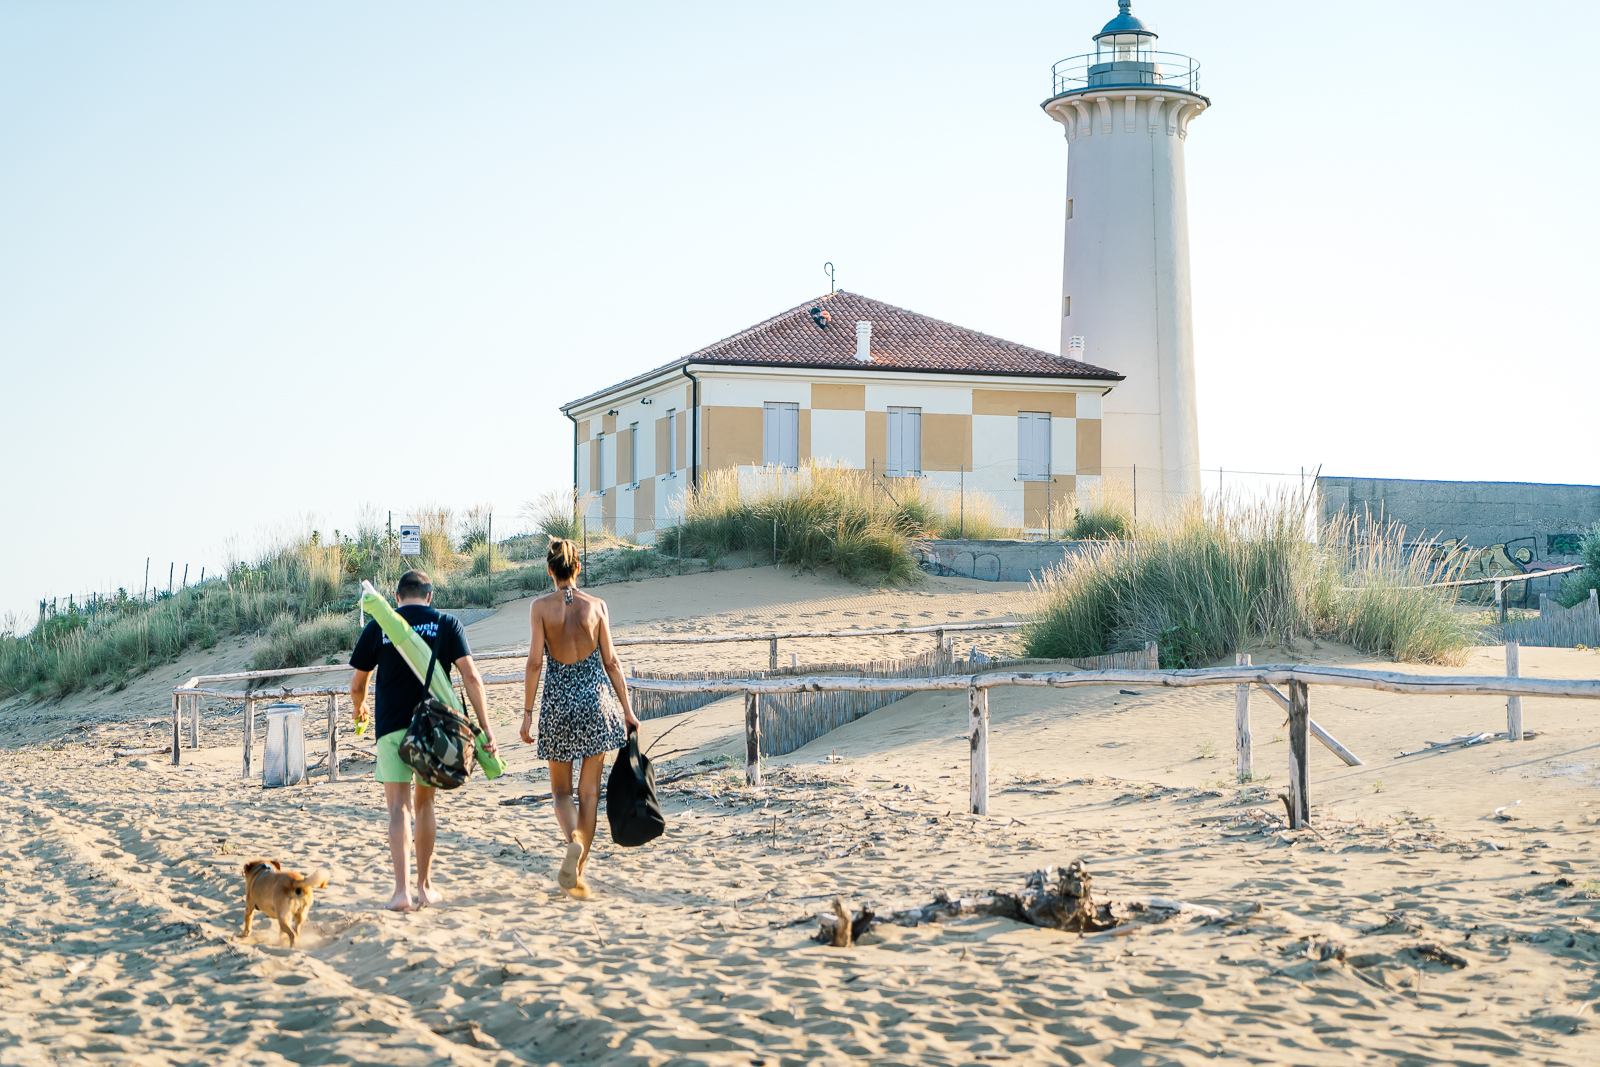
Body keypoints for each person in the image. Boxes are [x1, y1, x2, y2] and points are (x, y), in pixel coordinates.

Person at [349, 569, 498, 911]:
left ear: (397, 598)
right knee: (424, 804)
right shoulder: (447, 624)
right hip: (433, 728)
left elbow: (357, 685)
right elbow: (471, 677)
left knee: (397, 808)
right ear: (430, 596)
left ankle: (400, 893)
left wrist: (359, 710)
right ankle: (425, 887)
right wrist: (486, 728)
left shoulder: (378, 626)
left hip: (390, 728)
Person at [520, 538, 639, 899]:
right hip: (597, 705)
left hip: (559, 708)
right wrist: (628, 710)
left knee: (560, 792)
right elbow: (612, 662)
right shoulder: (597, 606)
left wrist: (527, 714)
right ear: (578, 568)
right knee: (589, 794)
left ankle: (572, 841)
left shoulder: (540, 608)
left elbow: (535, 663)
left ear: (549, 570)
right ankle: (579, 867)